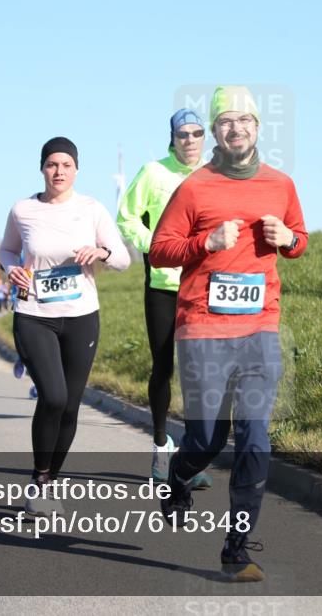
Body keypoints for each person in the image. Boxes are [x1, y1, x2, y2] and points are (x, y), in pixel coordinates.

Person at [150, 86, 308, 581]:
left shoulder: (281, 185)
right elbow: (160, 249)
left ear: (258, 128)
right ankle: (178, 472)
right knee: (207, 437)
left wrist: (289, 241)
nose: (235, 128)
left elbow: (300, 238)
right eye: (226, 122)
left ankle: (236, 548)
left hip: (261, 326)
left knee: (256, 438)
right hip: (203, 328)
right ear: (216, 131)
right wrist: (206, 241)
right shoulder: (195, 187)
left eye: (245, 120)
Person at [0, 137, 130, 515]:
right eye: (52, 164)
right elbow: (7, 250)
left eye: (66, 165)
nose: (59, 171)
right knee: (53, 397)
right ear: (42, 168)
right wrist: (12, 269)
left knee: (71, 406)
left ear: (76, 170)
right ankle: (40, 479)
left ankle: (48, 480)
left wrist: (101, 252)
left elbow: (121, 258)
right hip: (34, 314)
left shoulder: (91, 209)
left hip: (81, 316)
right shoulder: (23, 210)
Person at [117, 108, 212, 487]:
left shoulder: (214, 175)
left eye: (196, 132)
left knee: (199, 374)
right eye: (182, 134)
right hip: (163, 284)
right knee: (163, 367)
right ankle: (160, 444)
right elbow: (126, 217)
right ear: (172, 138)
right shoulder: (153, 172)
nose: (189, 140)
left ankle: (190, 459)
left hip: (203, 286)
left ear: (205, 137)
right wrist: (154, 246)